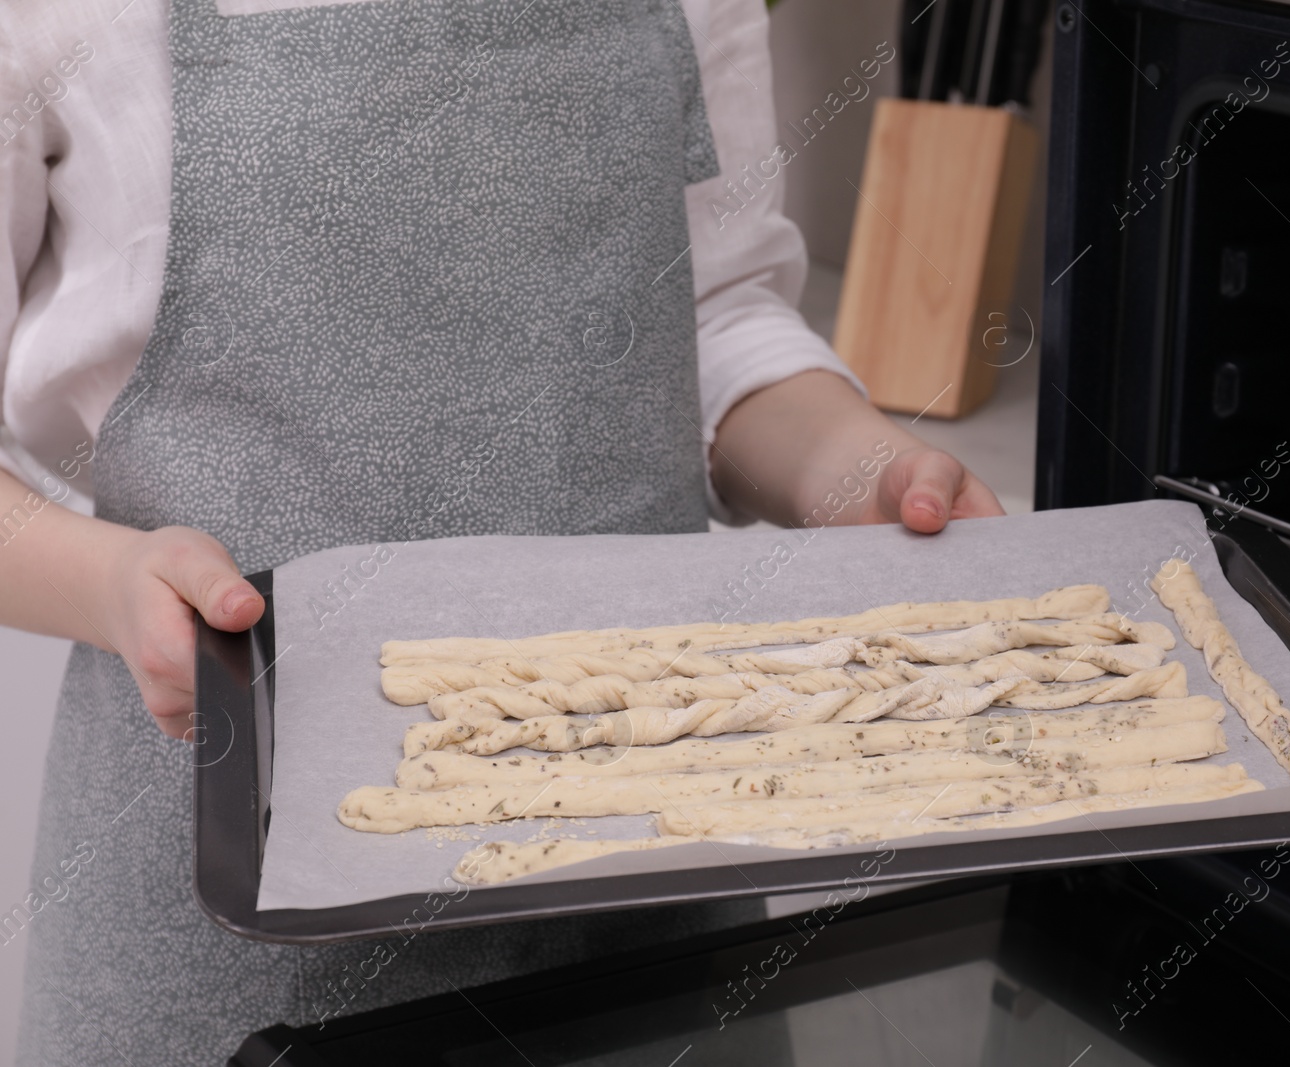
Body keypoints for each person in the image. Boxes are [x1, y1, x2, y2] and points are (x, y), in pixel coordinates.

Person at [0, 0, 1004, 1061]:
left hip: (654, 871)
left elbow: (712, 313)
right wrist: (116, 583)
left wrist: (857, 470)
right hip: (231, 908)